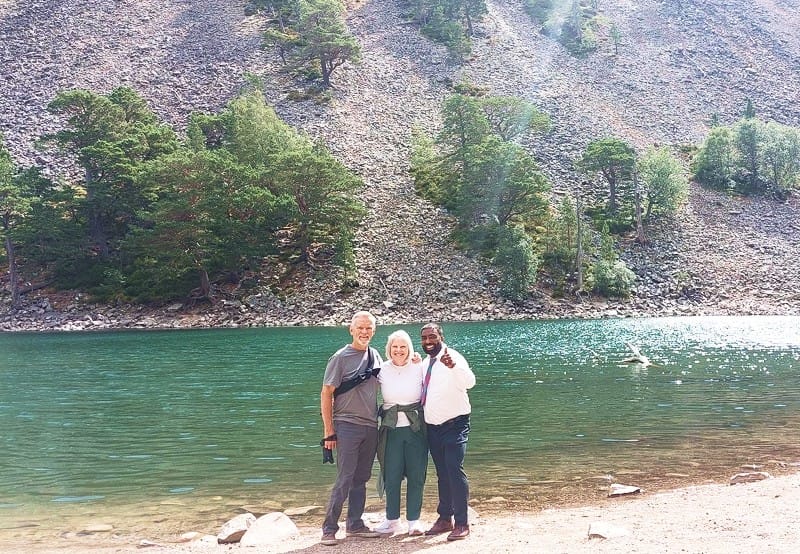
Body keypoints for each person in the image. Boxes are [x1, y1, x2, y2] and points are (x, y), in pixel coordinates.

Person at [319, 311, 384, 546]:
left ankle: (355, 524)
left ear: (373, 331)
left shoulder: (375, 355)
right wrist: (329, 431)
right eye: (360, 328)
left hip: (370, 426)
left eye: (369, 328)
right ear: (351, 330)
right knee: (345, 477)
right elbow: (326, 393)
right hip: (346, 424)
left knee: (362, 477)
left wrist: (414, 359)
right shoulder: (340, 357)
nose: (364, 332)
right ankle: (329, 527)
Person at [419, 322, 476, 541]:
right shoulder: (425, 363)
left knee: (454, 468)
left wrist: (455, 367)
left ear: (441, 336)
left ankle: (462, 523)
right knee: (442, 473)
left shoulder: (453, 357)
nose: (428, 342)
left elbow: (470, 382)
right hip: (433, 427)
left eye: (432, 337)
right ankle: (445, 519)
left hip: (455, 424)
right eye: (424, 338)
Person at [373, 330, 427, 537]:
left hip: (416, 428)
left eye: (403, 346)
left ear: (410, 349)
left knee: (416, 475)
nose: (399, 350)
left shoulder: (418, 367)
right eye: (395, 347)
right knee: (391, 474)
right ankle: (392, 520)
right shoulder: (381, 370)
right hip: (390, 428)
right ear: (389, 349)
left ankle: (414, 521)